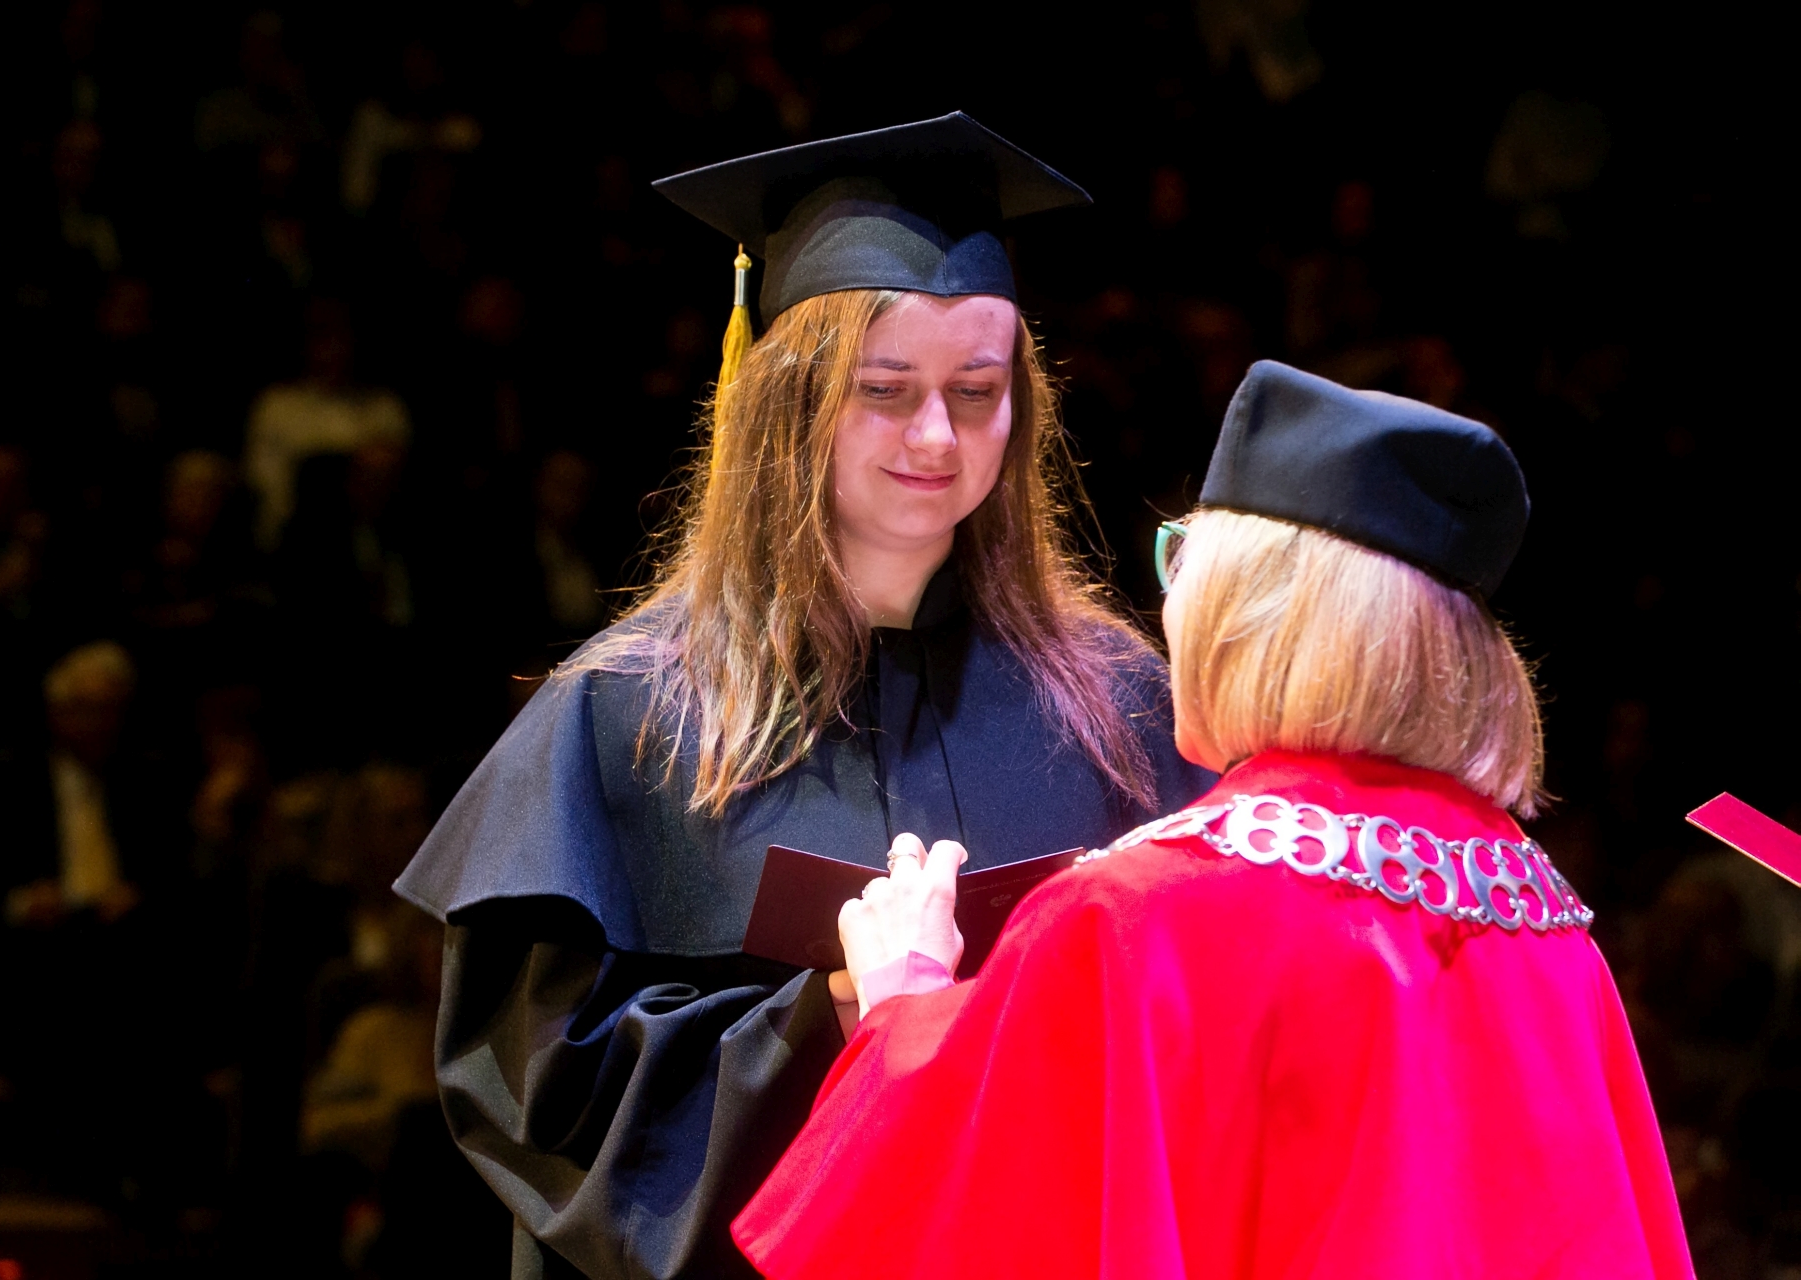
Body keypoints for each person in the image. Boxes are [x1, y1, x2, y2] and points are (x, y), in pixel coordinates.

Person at [392, 113, 1213, 1279]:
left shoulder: (1119, 710)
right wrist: (831, 1017)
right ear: (789, 400)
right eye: (886, 388)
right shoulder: (632, 714)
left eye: (977, 389)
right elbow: (539, 1096)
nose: (936, 434)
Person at [733, 361, 1694, 1279]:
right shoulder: (1541, 919)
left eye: (1182, 561)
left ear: (1246, 611)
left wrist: (901, 1009)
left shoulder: (1140, 916)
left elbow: (970, 1220)